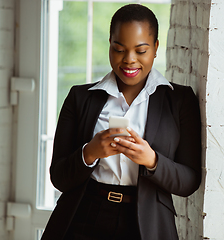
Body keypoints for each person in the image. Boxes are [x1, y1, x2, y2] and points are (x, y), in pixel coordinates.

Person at [41, 4, 202, 240]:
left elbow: (189, 181)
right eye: (119, 49)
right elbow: (59, 177)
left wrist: (152, 161)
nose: (129, 60)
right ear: (109, 45)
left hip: (146, 224)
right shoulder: (80, 97)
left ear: (156, 48)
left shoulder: (179, 100)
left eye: (141, 50)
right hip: (83, 216)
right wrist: (90, 152)